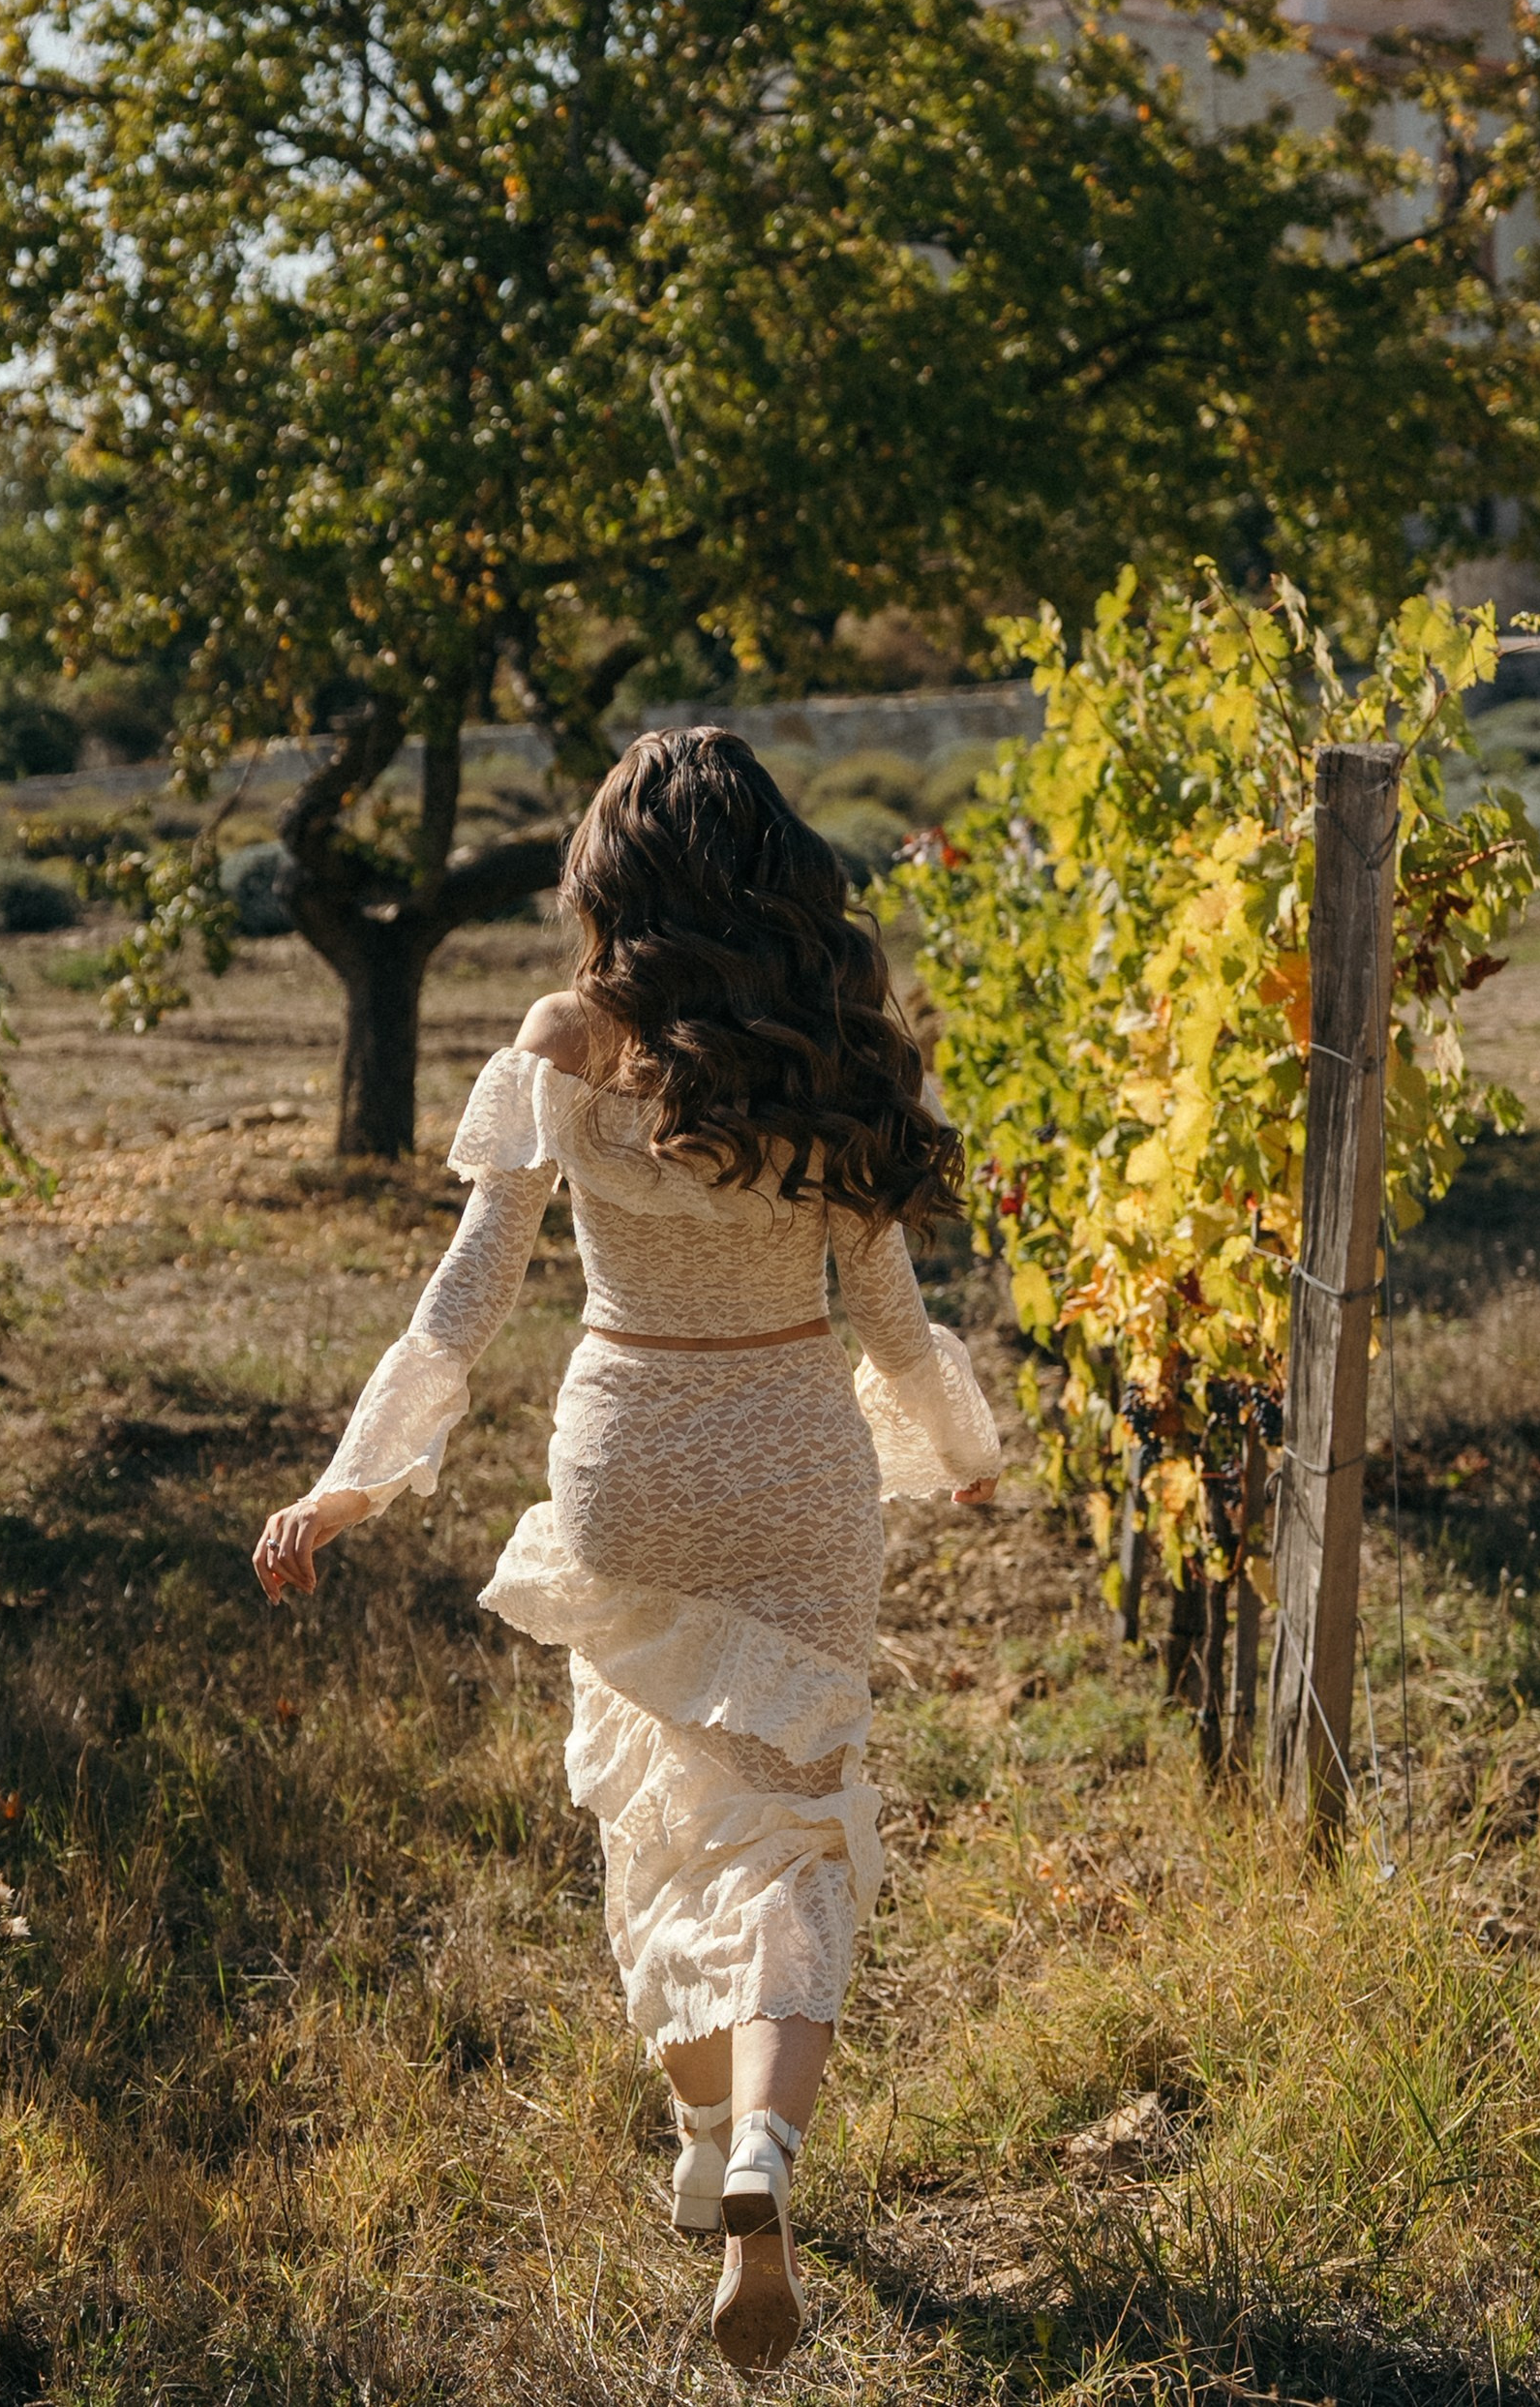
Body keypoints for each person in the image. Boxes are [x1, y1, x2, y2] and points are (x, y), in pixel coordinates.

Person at [255, 727, 1000, 2370]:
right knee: (797, 1820)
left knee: (657, 1814)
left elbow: (468, 1298)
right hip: (797, 1461)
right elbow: (889, 1317)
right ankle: (762, 2154)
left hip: (626, 1452)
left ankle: (694, 2139)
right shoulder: (838, 1044)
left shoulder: (565, 1041)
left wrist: (352, 1483)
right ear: (777, 864)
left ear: (612, 873)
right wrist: (960, 1452)